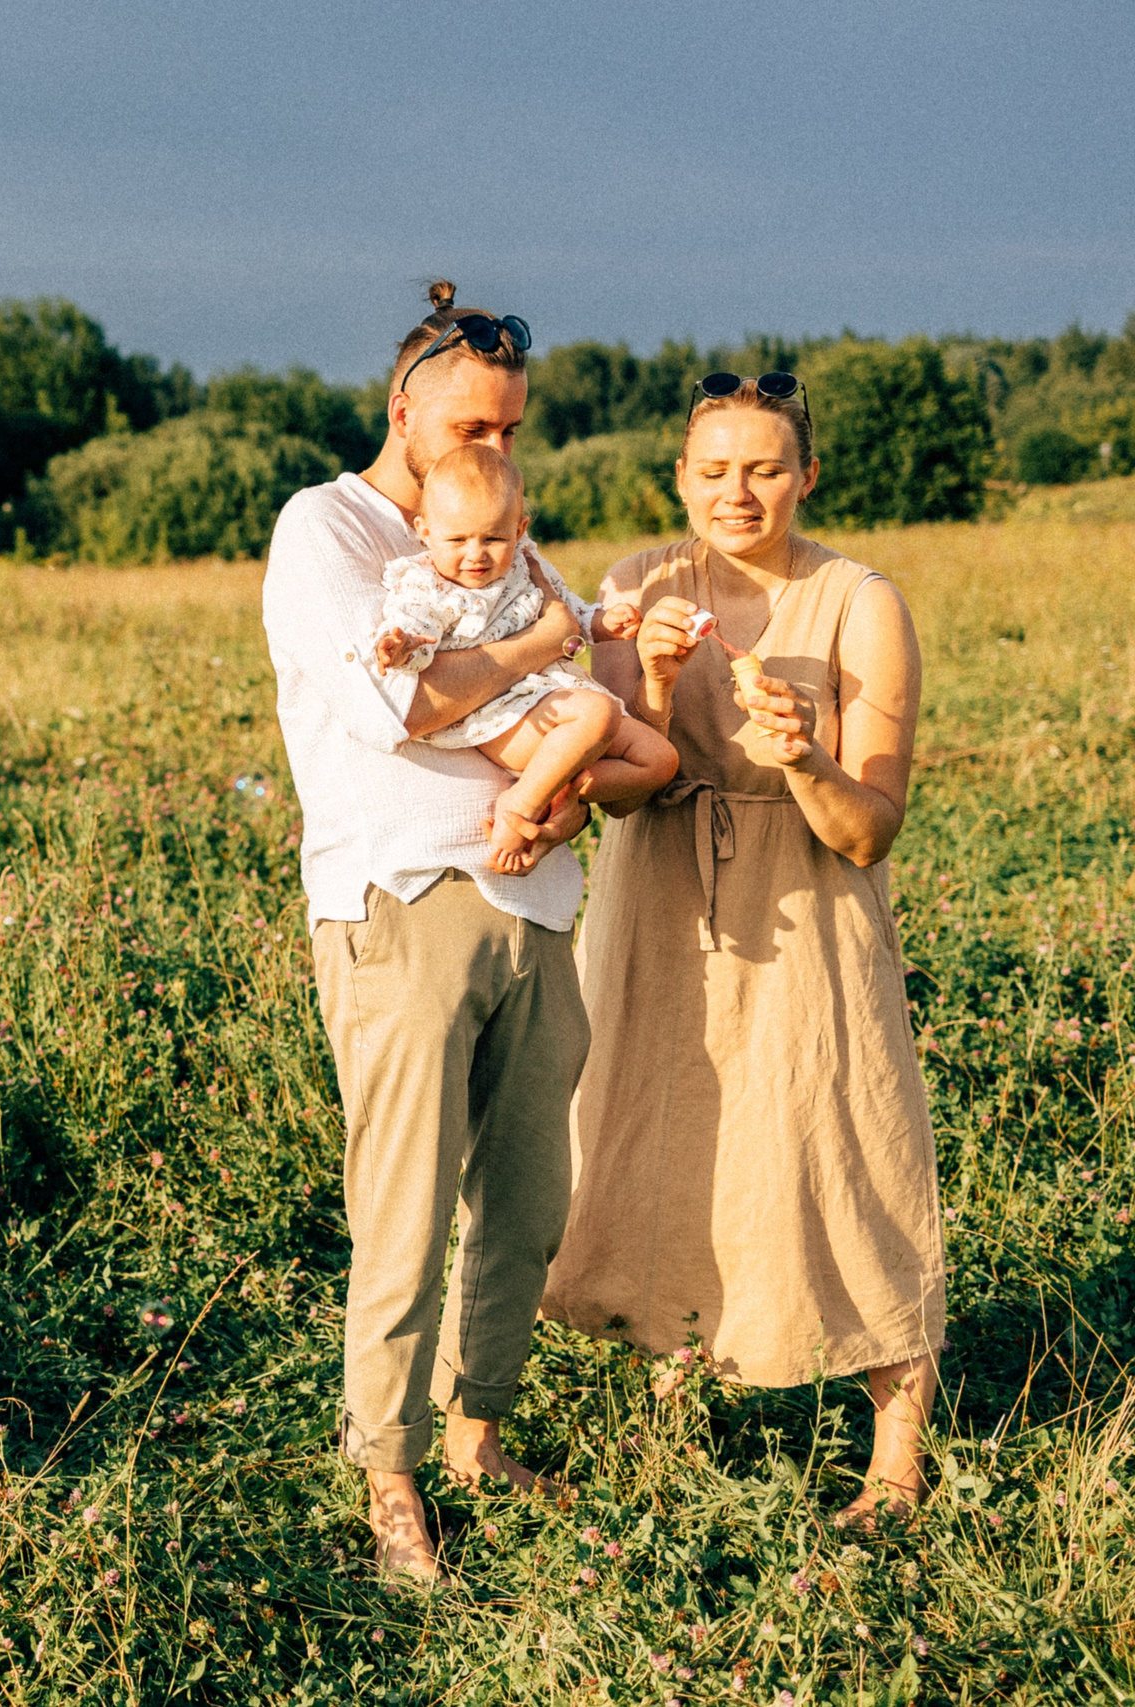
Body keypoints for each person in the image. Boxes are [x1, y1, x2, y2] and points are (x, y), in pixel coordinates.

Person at [261, 282, 665, 1581]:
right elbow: (410, 702)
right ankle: (390, 1474)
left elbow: (581, 703)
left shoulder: (504, 535)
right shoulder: (327, 528)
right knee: (405, 1201)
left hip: (536, 902)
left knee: (529, 1196)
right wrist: (545, 635)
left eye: (510, 425)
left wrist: (557, 796)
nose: (490, 445)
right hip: (400, 900)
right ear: (405, 409)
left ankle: (479, 1430)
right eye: (470, 422)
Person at [539, 371, 944, 1527]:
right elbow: (620, 796)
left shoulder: (861, 602)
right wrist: (657, 688)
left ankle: (896, 1458)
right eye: (713, 469)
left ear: (804, 477)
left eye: (763, 468)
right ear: (679, 477)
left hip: (807, 899)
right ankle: (679, 1392)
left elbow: (868, 830)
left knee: (843, 1143)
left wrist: (805, 760)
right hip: (659, 893)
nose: (738, 491)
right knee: (660, 1136)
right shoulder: (635, 585)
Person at [371, 446, 677, 872]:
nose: (475, 553)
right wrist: (399, 646)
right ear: (424, 531)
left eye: (493, 538)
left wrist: (604, 622)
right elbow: (414, 630)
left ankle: (558, 789)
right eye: (457, 539)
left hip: (552, 695)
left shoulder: (527, 565)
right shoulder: (427, 585)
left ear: (519, 530)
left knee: (660, 760)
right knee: (599, 713)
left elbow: (568, 614)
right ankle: (518, 805)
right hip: (501, 712)